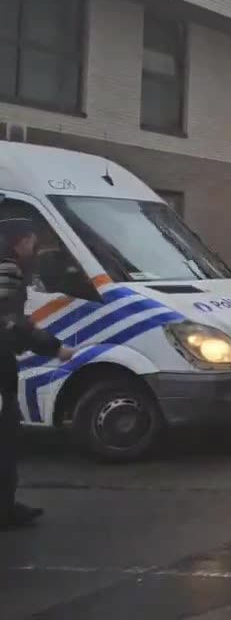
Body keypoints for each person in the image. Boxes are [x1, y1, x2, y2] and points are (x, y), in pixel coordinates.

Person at [1, 216, 74, 530]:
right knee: (5, 435)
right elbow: (10, 321)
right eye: (32, 240)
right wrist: (54, 348)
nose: (35, 247)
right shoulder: (7, 268)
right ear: (21, 241)